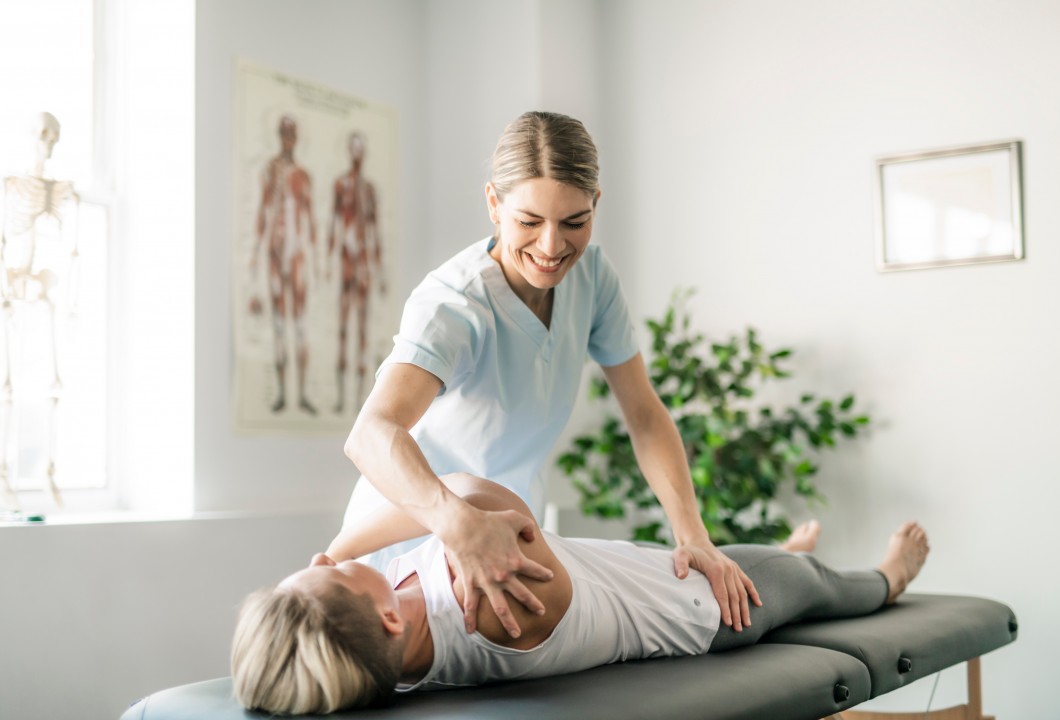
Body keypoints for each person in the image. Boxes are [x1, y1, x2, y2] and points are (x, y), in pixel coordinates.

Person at [341, 110, 760, 641]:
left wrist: (693, 534)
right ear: (494, 203)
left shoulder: (593, 279)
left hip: (510, 540)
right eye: (529, 221)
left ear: (595, 206)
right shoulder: (454, 304)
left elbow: (644, 414)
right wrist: (457, 524)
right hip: (415, 548)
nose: (551, 246)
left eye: (574, 223)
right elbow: (371, 435)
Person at [231, 473, 931, 715]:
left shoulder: (395, 642)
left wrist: (338, 569)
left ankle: (780, 551)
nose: (326, 556)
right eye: (324, 569)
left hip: (634, 567)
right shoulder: (496, 605)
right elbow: (468, 493)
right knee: (813, 586)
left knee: (776, 563)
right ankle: (887, 575)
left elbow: (446, 508)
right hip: (700, 607)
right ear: (384, 614)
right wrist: (349, 548)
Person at [250, 114, 318, 415]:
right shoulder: (271, 170)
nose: (288, 139)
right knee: (279, 326)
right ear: (280, 136)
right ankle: (281, 393)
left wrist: (316, 261)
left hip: (297, 255)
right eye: (285, 134)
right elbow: (264, 212)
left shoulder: (303, 176)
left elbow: (310, 219)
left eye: (292, 134)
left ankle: (301, 394)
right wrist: (255, 253)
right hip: (277, 254)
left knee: (300, 327)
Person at [326, 131, 384, 413]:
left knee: (361, 329)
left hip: (362, 265)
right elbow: (334, 224)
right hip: (348, 262)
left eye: (362, 149)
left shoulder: (369, 190)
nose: (357, 154)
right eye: (354, 149)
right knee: (342, 329)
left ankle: (360, 399)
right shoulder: (341, 185)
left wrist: (379, 271)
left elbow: (375, 232)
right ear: (350, 151)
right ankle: (339, 397)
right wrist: (326, 263)